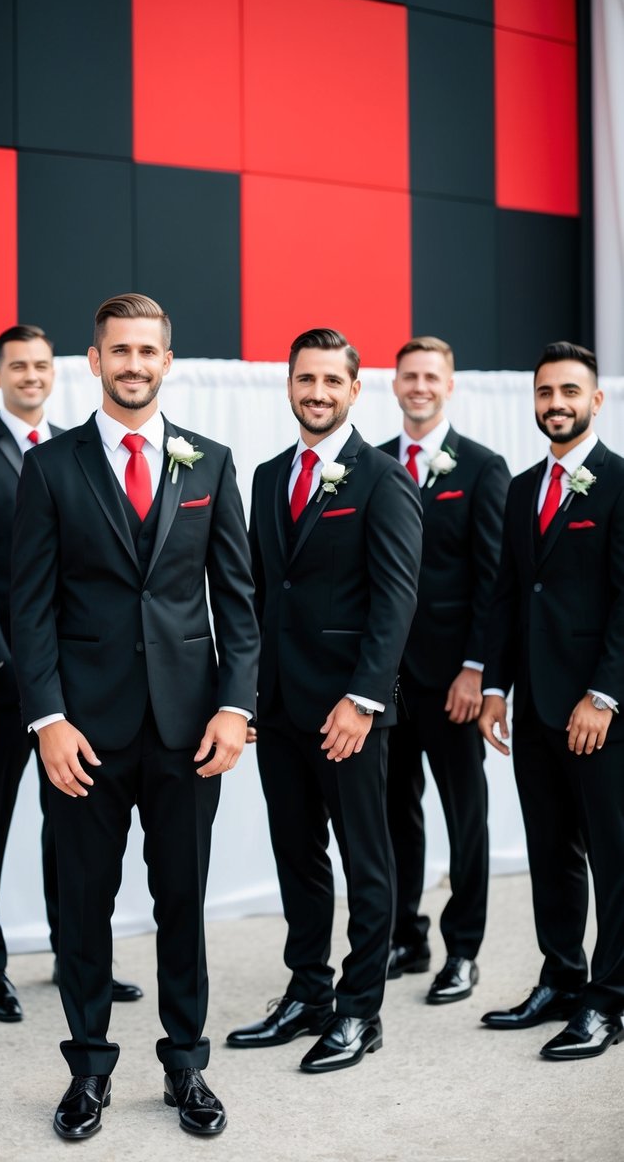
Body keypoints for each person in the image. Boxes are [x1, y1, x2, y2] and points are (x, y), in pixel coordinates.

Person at [9, 293, 259, 1139]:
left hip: (190, 729)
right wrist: (45, 718)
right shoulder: (50, 467)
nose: (133, 365)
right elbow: (29, 609)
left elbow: (238, 599)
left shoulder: (211, 463)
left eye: (147, 351)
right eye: (119, 351)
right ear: (94, 361)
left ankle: (186, 1064)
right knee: (83, 904)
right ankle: (86, 1068)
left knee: (181, 901)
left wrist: (234, 706)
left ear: (166, 359)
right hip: (83, 731)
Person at [227, 327, 421, 1072]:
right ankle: (306, 990)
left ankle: (358, 1010)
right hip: (275, 707)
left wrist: (364, 699)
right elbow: (250, 592)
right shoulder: (270, 474)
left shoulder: (381, 478)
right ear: (288, 385)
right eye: (304, 379)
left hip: (349, 712)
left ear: (352, 389)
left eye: (330, 382)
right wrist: (242, 695)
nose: (316, 393)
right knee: (296, 856)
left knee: (365, 861)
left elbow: (395, 599)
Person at [0, 325, 142, 1023]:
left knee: (71, 824)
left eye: (39, 366)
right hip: (0, 676)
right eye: (17, 367)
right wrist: (2, 660)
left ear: (55, 375)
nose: (30, 376)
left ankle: (74, 955)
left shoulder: (77, 452)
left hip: (74, 682)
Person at [479, 341, 624, 1060]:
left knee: (614, 856)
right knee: (550, 851)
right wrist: (494, 686)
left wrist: (604, 695)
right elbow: (508, 593)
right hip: (533, 706)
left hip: (598, 713)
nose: (555, 404)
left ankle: (609, 998)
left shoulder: (621, 483)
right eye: (544, 392)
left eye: (569, 391)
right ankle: (561, 977)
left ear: (595, 400)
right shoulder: (519, 488)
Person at [379, 336, 509, 1002]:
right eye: (409, 375)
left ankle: (463, 950)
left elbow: (493, 580)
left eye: (431, 376)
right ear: (394, 384)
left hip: (452, 679)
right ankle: (404, 931)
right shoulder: (369, 463)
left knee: (465, 814)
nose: (420, 385)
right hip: (383, 680)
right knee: (392, 809)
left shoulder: (483, 469)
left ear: (449, 385)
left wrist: (475, 670)